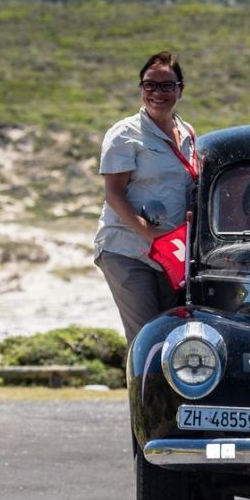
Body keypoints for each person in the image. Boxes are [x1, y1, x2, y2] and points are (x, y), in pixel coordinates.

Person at [94, 50, 198, 346]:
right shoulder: (124, 134)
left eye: (166, 85)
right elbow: (113, 195)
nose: (157, 93)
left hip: (169, 253)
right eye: (150, 85)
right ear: (141, 89)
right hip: (128, 249)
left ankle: (169, 394)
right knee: (146, 339)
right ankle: (142, 394)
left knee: (170, 337)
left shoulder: (188, 132)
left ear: (181, 88)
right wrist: (149, 233)